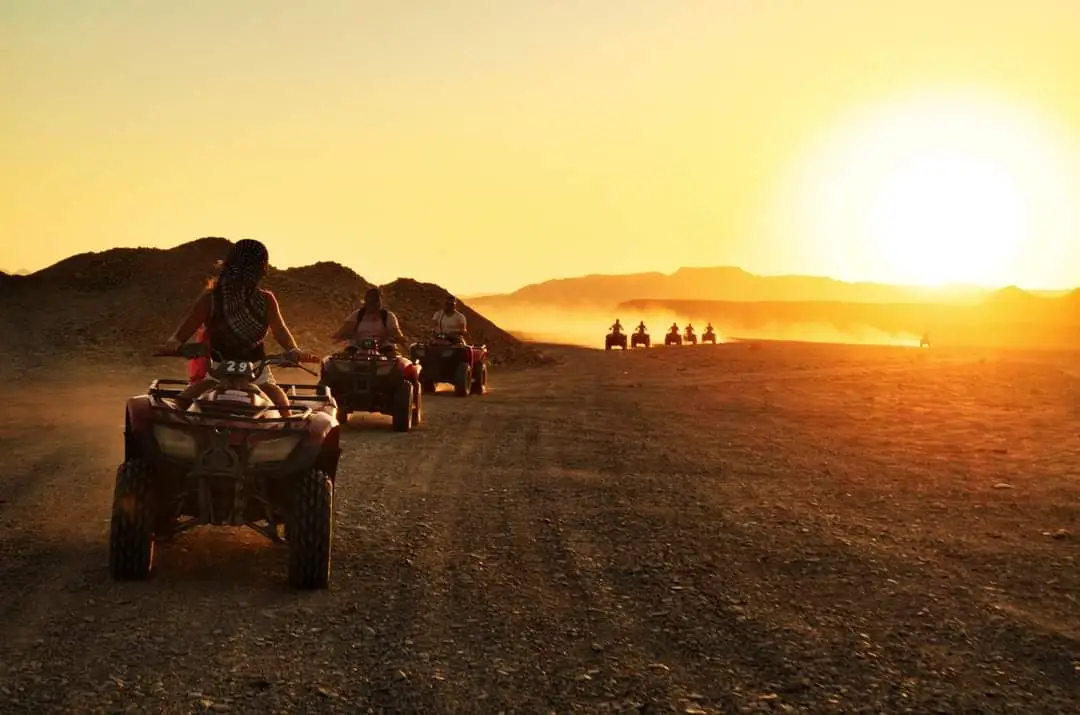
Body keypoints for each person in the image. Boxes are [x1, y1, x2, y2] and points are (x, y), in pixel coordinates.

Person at [160, 239, 312, 410]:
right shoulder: (211, 299)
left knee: (280, 402)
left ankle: (287, 426)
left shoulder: (266, 299)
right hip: (218, 369)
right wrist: (174, 345)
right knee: (184, 400)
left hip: (256, 370)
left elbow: (280, 330)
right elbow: (183, 332)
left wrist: (293, 350)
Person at [332, 286, 405, 347]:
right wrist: (340, 335)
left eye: (376, 301)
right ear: (366, 301)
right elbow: (344, 329)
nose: (374, 304)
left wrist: (399, 338)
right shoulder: (357, 315)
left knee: (392, 355)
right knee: (343, 358)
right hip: (357, 347)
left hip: (383, 347)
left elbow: (395, 332)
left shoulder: (388, 316)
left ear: (380, 301)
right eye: (371, 301)